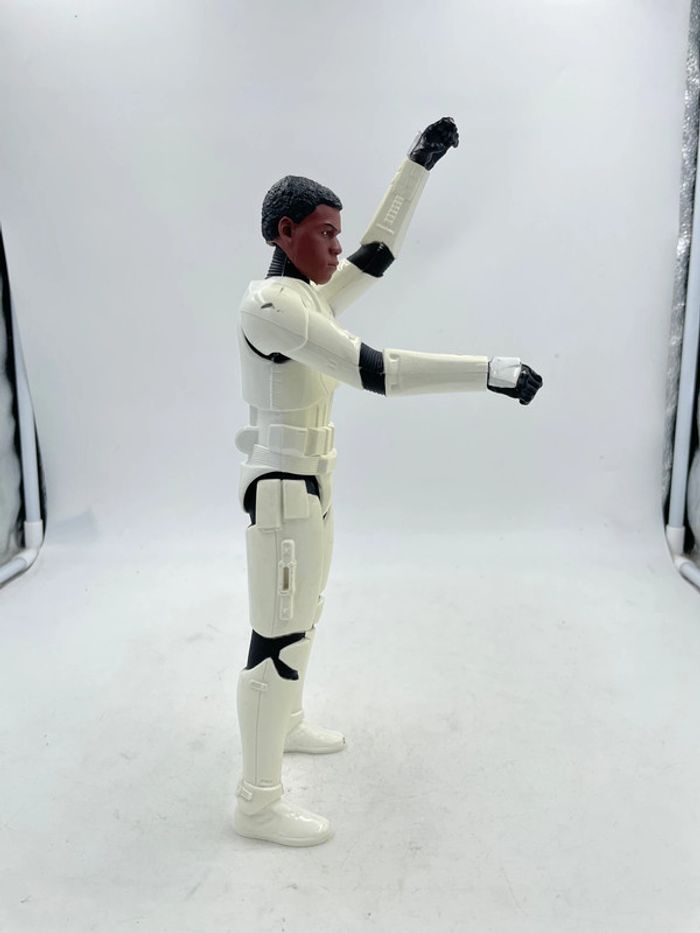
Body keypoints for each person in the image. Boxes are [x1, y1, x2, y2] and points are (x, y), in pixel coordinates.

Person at [234, 117, 543, 847]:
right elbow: (379, 371)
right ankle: (256, 801)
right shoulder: (273, 307)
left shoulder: (308, 297)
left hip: (312, 481)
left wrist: (417, 166)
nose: (336, 248)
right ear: (285, 233)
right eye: (323, 234)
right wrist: (489, 372)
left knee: (304, 616)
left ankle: (287, 720)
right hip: (283, 487)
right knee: (276, 638)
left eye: (335, 234)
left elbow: (376, 253)